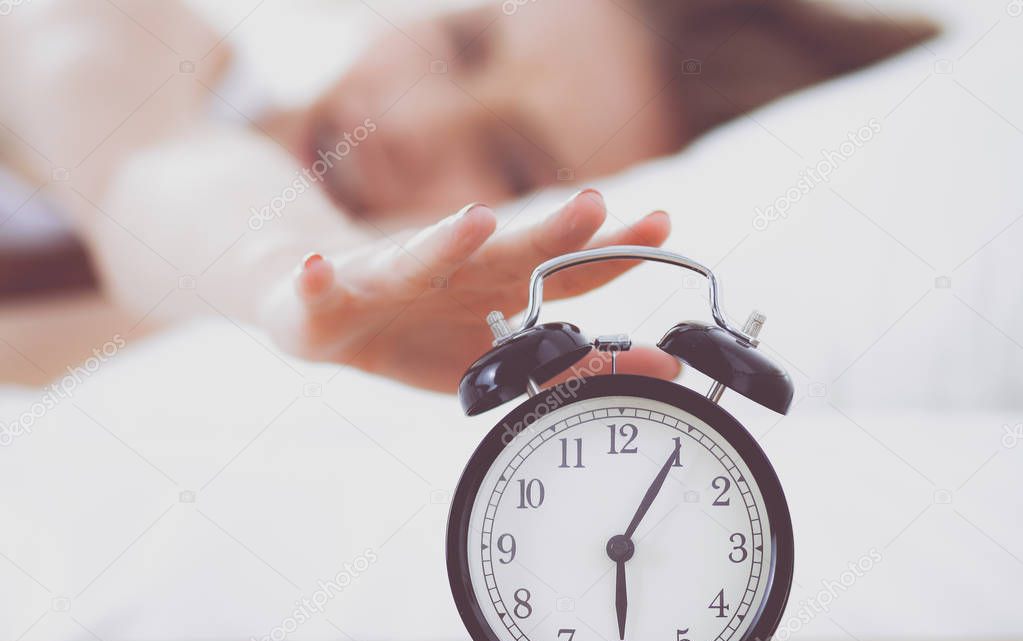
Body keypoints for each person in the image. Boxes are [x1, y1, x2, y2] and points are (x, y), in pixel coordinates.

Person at [0, 0, 935, 392]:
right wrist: (282, 274)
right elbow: (154, 174)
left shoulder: (250, 337)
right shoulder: (117, 30)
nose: (413, 122)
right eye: (462, 44)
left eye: (515, 168)